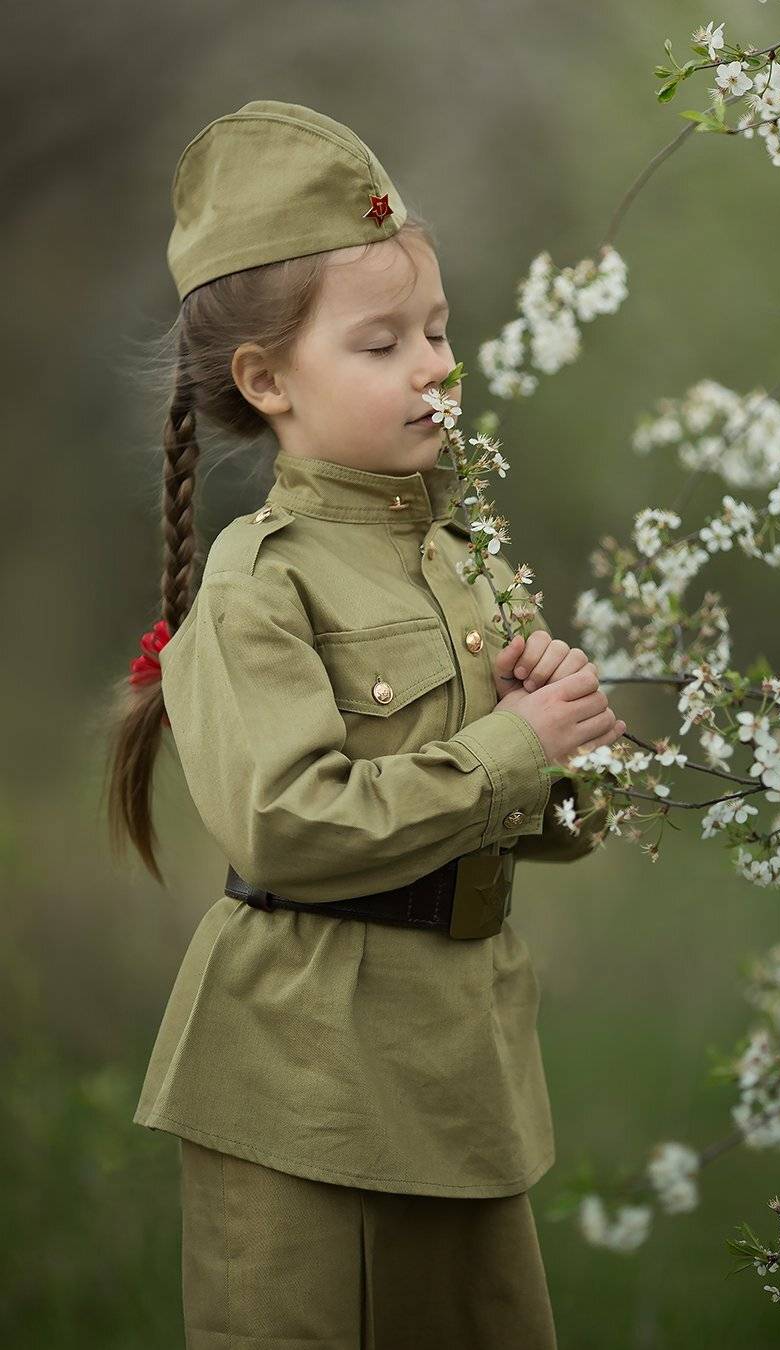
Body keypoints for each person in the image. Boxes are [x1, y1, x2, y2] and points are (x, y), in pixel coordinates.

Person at [104, 99, 626, 1350]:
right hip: (302, 1086)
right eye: (384, 342)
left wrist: (566, 746)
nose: (436, 366)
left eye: (439, 332)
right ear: (267, 379)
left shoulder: (460, 554)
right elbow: (288, 828)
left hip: (465, 1078)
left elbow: (539, 823)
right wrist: (514, 748)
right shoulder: (256, 581)